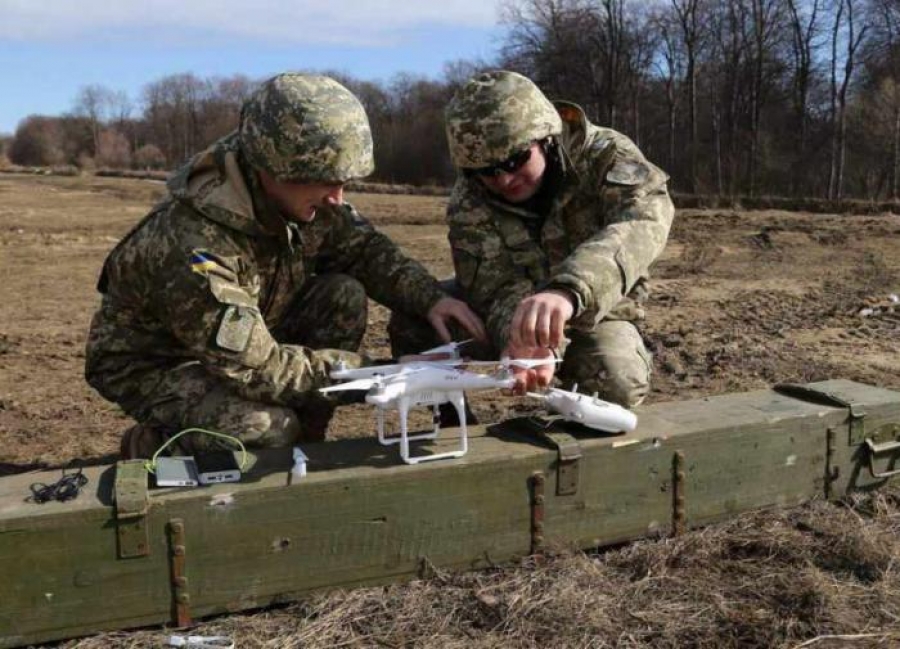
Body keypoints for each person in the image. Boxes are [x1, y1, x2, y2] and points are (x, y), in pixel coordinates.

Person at [85, 73, 486, 459]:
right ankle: (154, 444)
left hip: (248, 335)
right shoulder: (196, 247)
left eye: (343, 181)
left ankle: (306, 445)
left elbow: (364, 249)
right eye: (327, 180)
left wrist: (431, 299)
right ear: (273, 169)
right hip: (158, 363)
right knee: (264, 429)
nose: (337, 197)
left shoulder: (300, 194)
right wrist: (386, 373)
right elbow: (259, 369)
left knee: (341, 294)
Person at [390, 70, 674, 408]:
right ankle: (454, 428)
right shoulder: (468, 199)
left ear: (546, 137)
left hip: (596, 308)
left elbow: (642, 222)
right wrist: (519, 335)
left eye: (515, 160)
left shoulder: (606, 156)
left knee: (615, 379)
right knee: (418, 319)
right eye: (485, 171)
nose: (504, 179)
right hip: (514, 310)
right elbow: (491, 286)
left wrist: (568, 291)